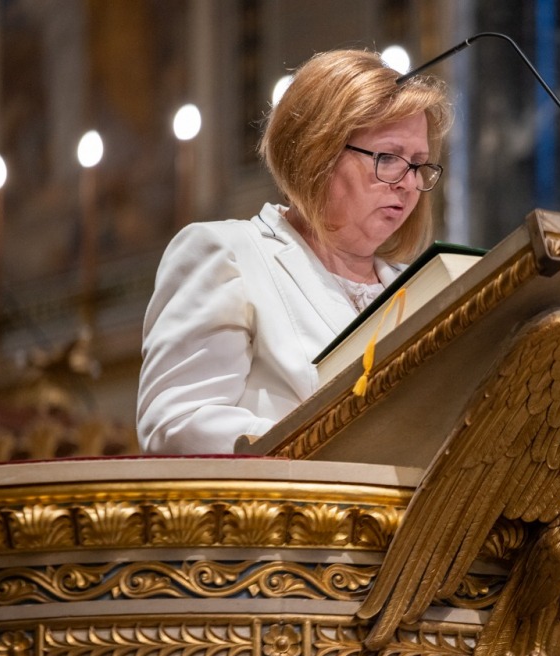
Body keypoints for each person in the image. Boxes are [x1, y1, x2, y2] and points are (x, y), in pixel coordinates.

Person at [137, 49, 452, 455]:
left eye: (418, 164)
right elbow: (177, 425)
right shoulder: (229, 255)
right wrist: (330, 443)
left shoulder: (424, 287)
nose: (408, 183)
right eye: (388, 158)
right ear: (318, 152)